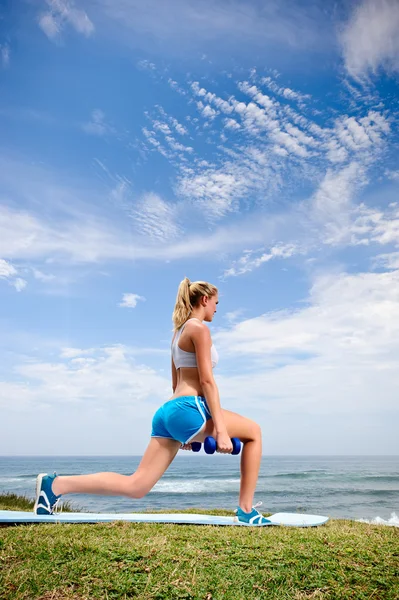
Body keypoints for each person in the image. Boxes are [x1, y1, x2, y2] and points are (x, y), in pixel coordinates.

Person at [34, 278, 270, 525]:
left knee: (137, 485)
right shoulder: (199, 329)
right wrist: (220, 431)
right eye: (216, 303)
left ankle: (56, 485)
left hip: (168, 412)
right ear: (204, 299)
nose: (216, 309)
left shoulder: (177, 334)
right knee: (254, 432)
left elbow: (174, 382)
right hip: (190, 408)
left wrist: (184, 433)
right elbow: (207, 382)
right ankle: (245, 510)